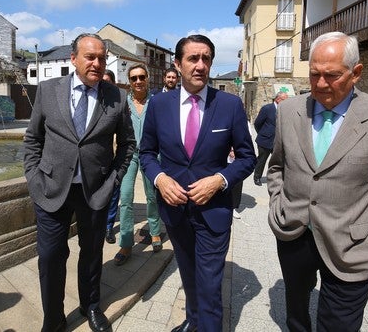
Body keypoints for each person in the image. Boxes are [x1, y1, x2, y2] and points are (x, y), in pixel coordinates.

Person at [267, 31, 368, 332]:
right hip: (294, 233)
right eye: (314, 75)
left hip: (354, 245)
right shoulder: (288, 111)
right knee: (296, 314)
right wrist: (277, 205)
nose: (321, 84)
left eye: (332, 75)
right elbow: (277, 167)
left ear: (356, 73)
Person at [140, 34, 256, 332]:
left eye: (206, 58)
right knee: (190, 276)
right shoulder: (159, 105)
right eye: (193, 58)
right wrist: (160, 178)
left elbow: (247, 158)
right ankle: (193, 322)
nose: (200, 65)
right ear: (177, 65)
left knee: (209, 285)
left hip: (213, 214)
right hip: (176, 213)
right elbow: (147, 154)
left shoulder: (229, 105)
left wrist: (219, 180)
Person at [24, 33, 136, 332]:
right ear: (73, 58)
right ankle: (53, 318)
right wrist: (34, 177)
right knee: (50, 257)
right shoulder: (48, 91)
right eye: (90, 57)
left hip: (95, 190)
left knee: (91, 252)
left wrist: (113, 179)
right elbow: (33, 138)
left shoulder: (117, 97)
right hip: (50, 189)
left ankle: (90, 305)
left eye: (102, 57)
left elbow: (127, 145)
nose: (97, 63)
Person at [114, 64, 163, 265]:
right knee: (125, 198)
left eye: (141, 77)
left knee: (152, 196)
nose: (138, 81)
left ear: (147, 78)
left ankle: (155, 231)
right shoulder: (123, 104)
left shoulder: (158, 103)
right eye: (134, 78)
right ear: (129, 82)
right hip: (129, 155)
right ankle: (126, 242)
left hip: (151, 156)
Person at [252, 91, 288, 186]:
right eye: (285, 100)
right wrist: (264, 134)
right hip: (265, 140)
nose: (286, 102)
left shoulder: (285, 109)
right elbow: (257, 123)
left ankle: (275, 178)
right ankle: (257, 177)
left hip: (278, 141)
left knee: (279, 161)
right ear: (278, 99)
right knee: (262, 160)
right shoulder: (267, 109)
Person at [103, 70, 120, 244]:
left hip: (114, 160)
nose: (104, 83)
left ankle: (108, 227)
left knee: (114, 196)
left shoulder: (119, 103)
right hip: (94, 163)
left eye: (108, 81)